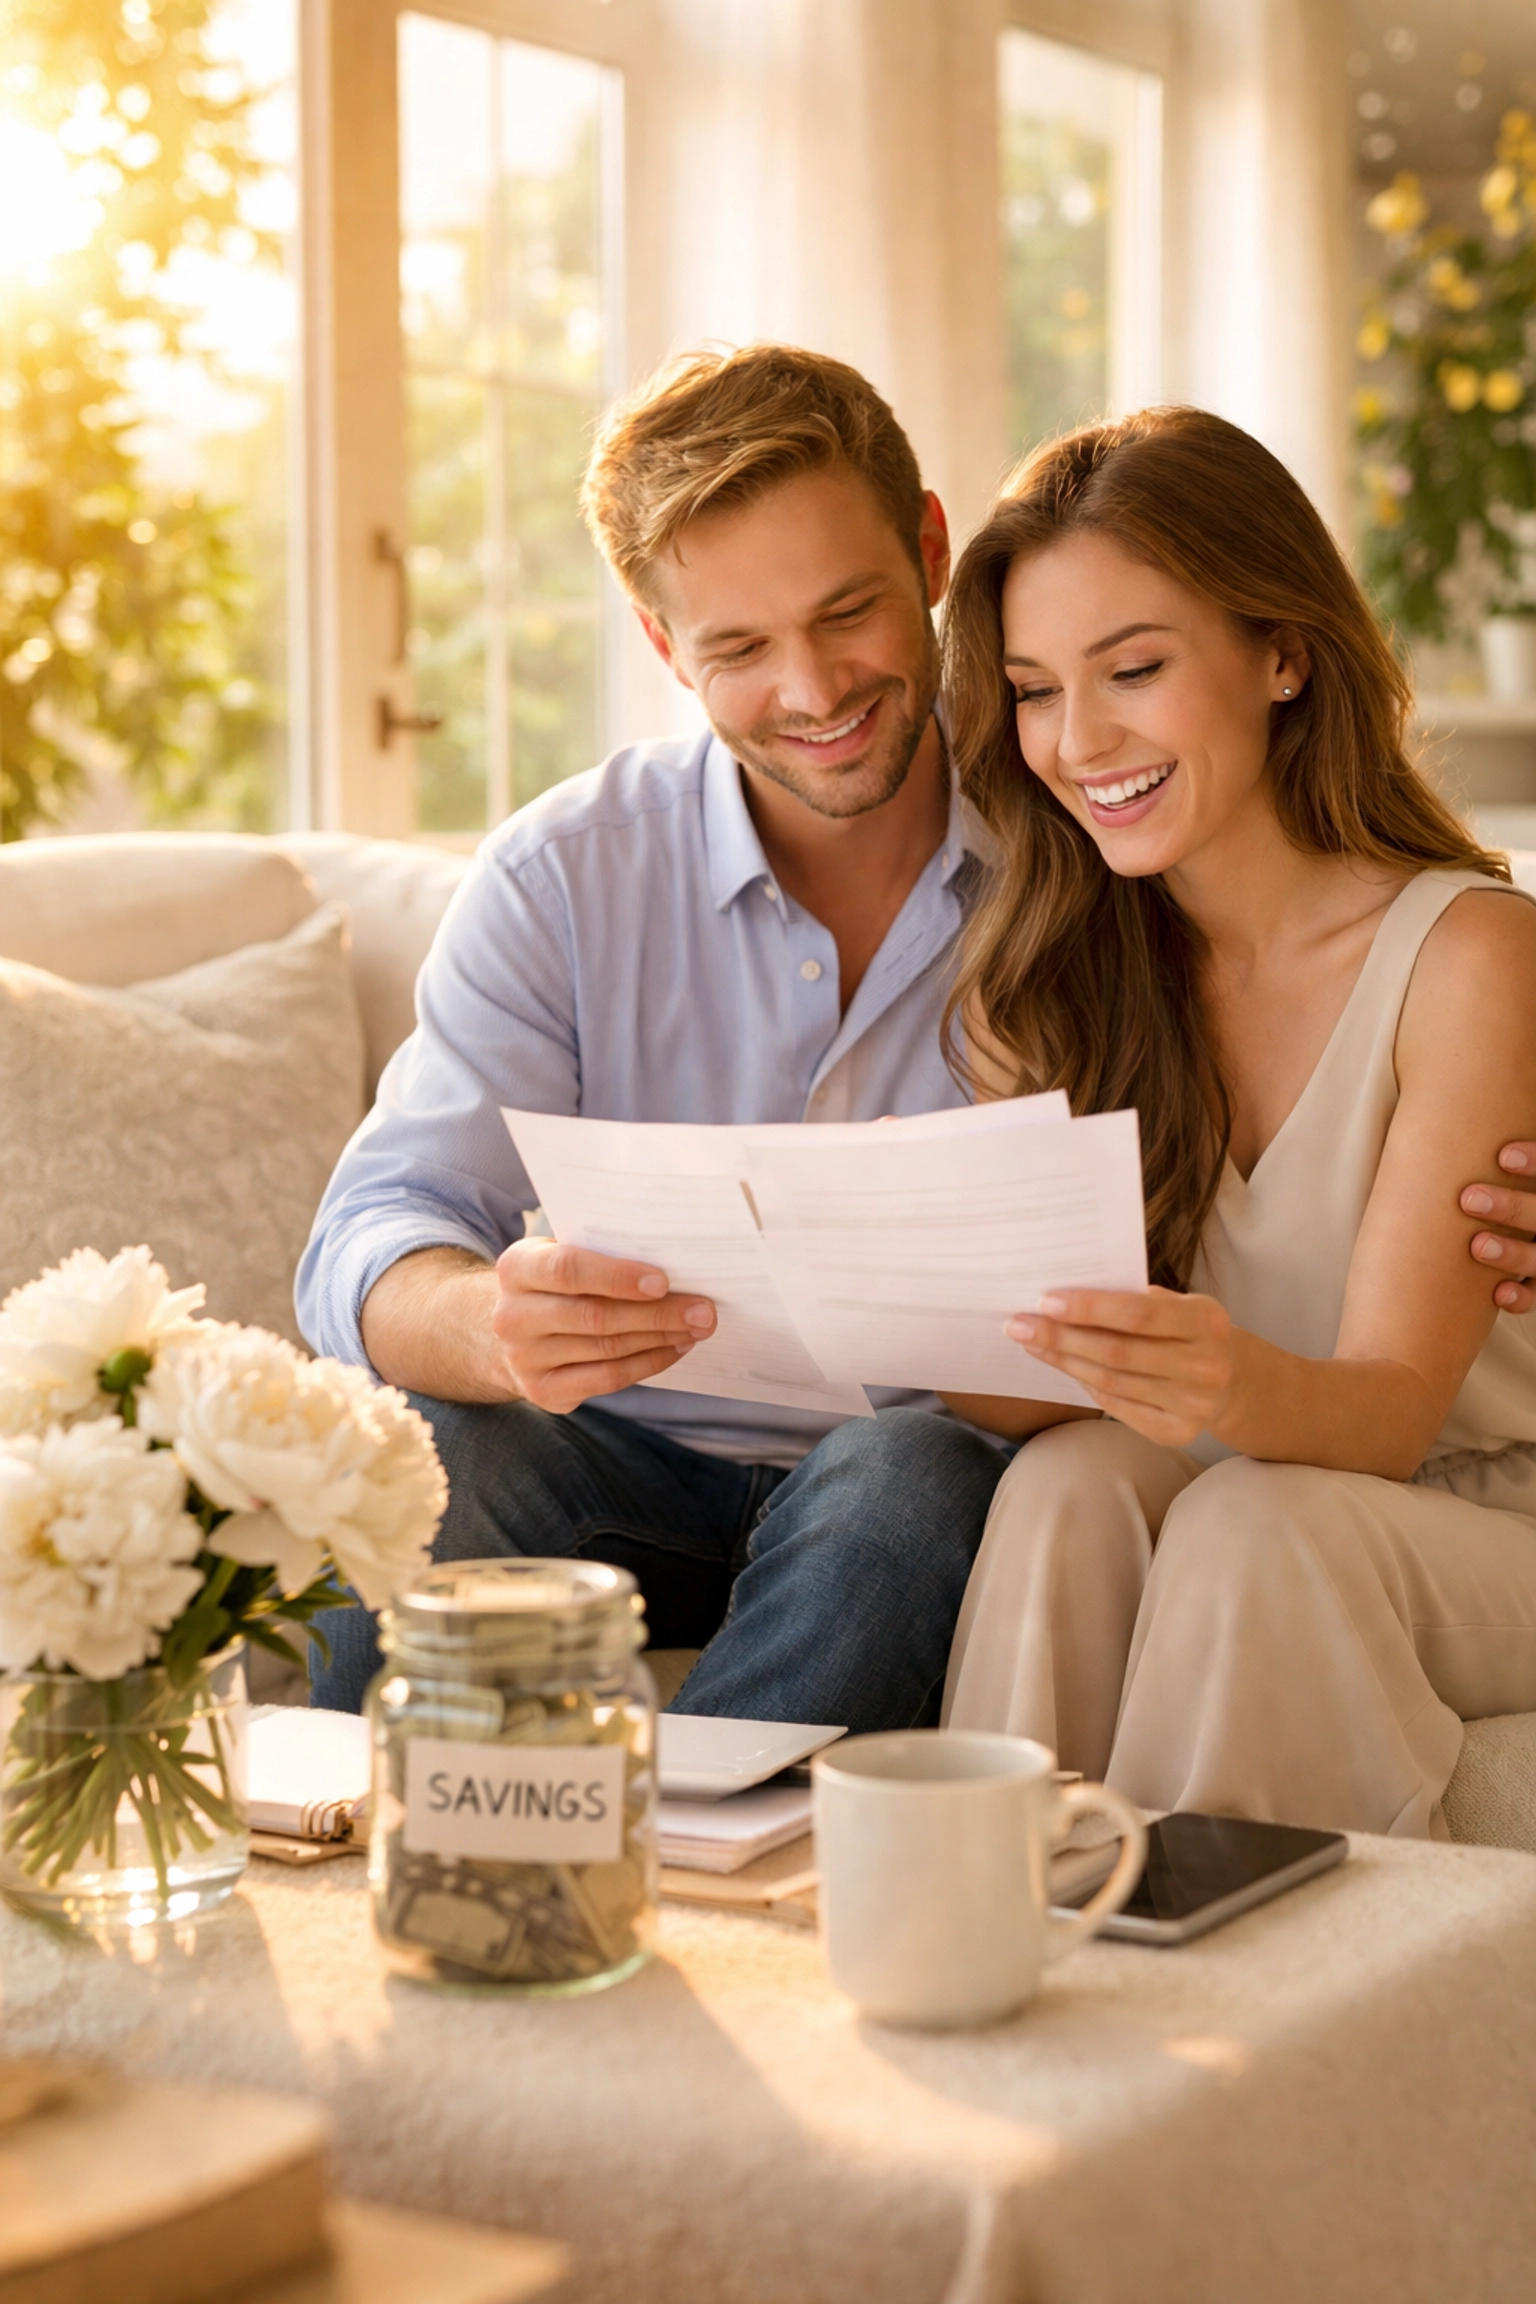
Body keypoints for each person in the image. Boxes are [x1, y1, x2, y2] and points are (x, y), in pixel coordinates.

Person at [296, 344, 1010, 1724]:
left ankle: (682, 1873)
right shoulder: (564, 874)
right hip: (614, 1460)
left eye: (848, 612)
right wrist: (490, 1325)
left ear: (929, 548)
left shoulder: (1076, 849)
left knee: (911, 1473)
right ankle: (325, 1881)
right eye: (738, 649)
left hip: (901, 1489)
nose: (811, 691)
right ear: (660, 642)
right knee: (426, 1443)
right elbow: (371, 1234)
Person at [935, 405, 1536, 1839]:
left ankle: (1241, 2035)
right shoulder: (1064, 966)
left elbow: (1388, 1418)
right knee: (1070, 1486)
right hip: (1250, 1474)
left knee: (1257, 1525)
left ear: (1283, 654)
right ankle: (982, 1929)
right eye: (1032, 690)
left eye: (1134, 669)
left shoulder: (1470, 959)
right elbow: (1030, 1403)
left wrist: (1212, 1376)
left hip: (1481, 1513)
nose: (1079, 743)